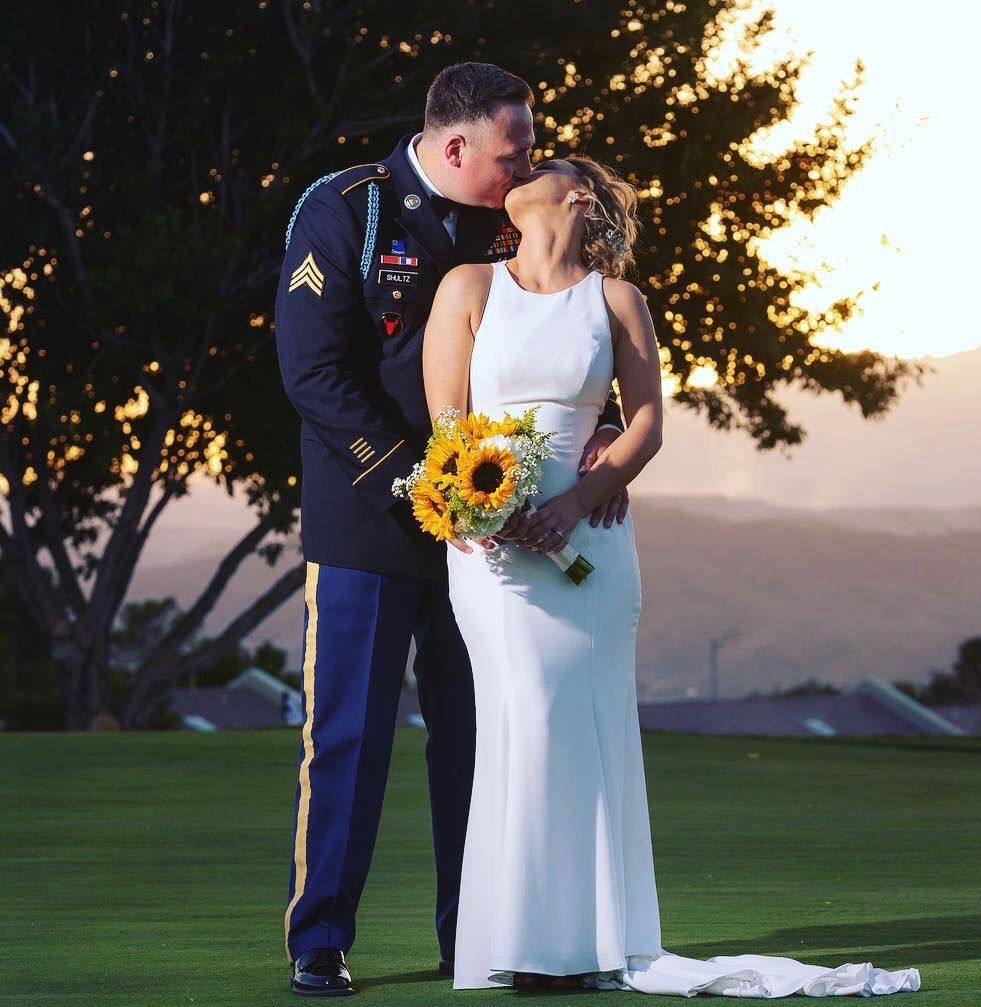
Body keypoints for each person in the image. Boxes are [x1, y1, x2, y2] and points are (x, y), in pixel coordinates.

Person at [422, 155, 923, 997]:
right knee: (525, 712)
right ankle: (524, 940)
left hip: (591, 543)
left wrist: (588, 491)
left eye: (543, 163)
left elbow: (648, 420)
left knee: (582, 717)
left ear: (576, 195)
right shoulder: (467, 286)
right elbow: (446, 419)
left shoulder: (618, 300)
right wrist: (485, 505)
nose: (522, 168)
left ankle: (581, 941)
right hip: (494, 543)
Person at [273, 62, 629, 997]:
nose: (527, 166)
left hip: (498, 533)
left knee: (478, 732)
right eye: (512, 151)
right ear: (457, 144)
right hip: (370, 519)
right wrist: (418, 481)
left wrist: (594, 426)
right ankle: (319, 939)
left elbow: (563, 322)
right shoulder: (348, 208)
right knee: (348, 732)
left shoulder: (516, 213)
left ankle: (475, 932)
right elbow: (313, 376)